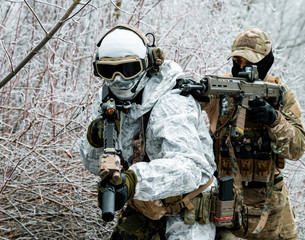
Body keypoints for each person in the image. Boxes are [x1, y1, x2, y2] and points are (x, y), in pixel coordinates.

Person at [80, 24, 217, 239]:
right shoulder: (108, 99)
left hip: (189, 208)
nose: (118, 79)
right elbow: (90, 164)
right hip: (145, 204)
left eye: (128, 69)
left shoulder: (173, 101)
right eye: (108, 70)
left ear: (147, 65)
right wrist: (95, 140)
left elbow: (190, 168)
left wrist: (133, 182)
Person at [203, 28, 305, 240]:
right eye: (237, 61)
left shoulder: (280, 94)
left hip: (269, 199)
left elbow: (297, 148)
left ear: (265, 63)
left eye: (248, 63)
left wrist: (274, 120)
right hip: (227, 197)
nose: (241, 68)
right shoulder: (220, 89)